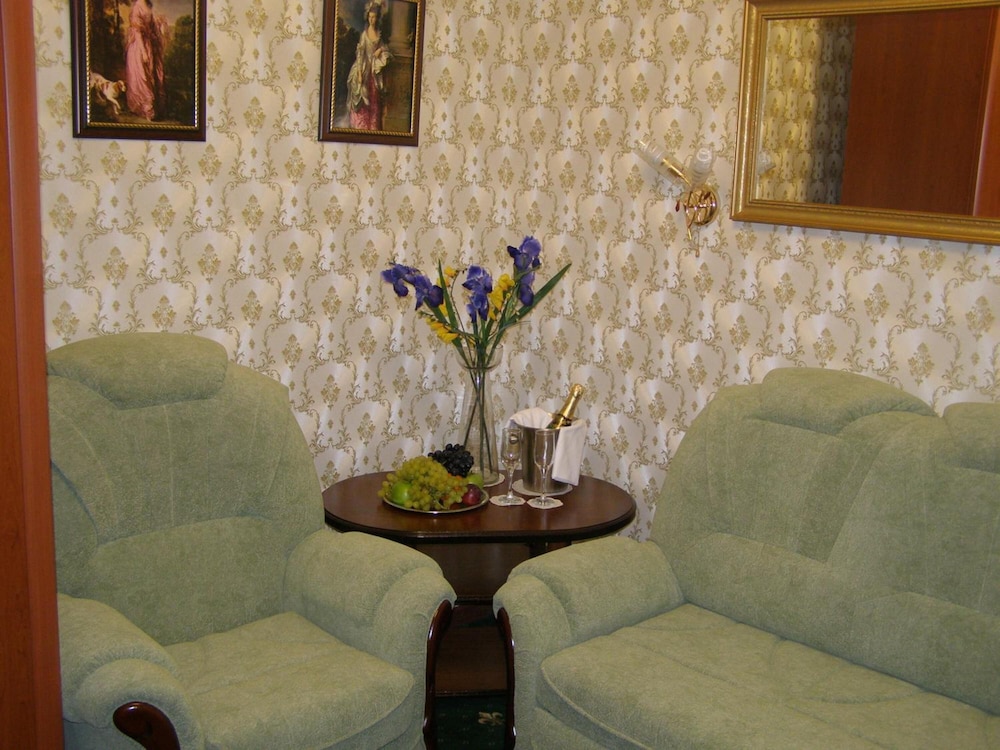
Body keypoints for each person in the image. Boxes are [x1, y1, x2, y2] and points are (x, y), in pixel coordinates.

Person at [347, 0, 391, 130]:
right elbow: (360, 54)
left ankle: (373, 127)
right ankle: (361, 126)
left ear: (377, 18)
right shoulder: (364, 35)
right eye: (370, 17)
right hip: (364, 67)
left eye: (374, 17)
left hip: (374, 70)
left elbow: (385, 48)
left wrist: (380, 50)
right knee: (363, 97)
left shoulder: (379, 34)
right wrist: (360, 73)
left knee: (374, 98)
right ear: (367, 17)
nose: (372, 20)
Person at [125, 0, 167, 121]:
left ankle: (155, 108)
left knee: (153, 74)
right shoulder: (137, 7)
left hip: (149, 45)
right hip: (139, 47)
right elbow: (137, 32)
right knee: (143, 76)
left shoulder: (148, 6)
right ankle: (147, 109)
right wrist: (143, 52)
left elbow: (152, 28)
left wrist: (159, 26)